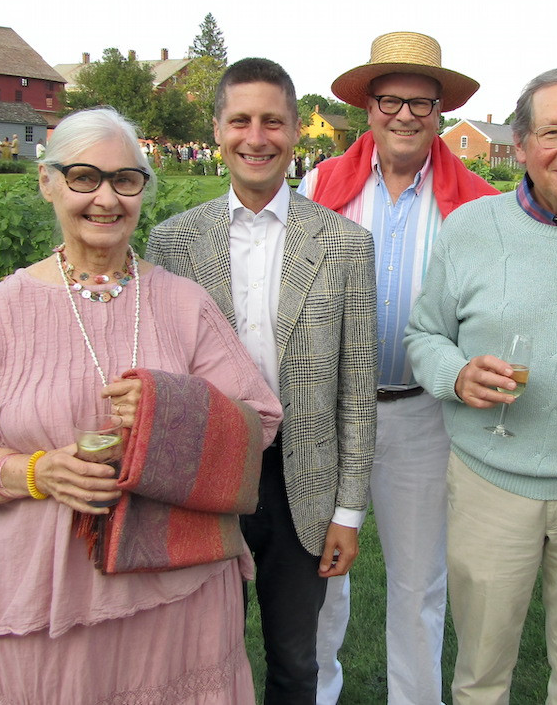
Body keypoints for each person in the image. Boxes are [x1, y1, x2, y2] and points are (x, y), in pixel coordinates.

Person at [0, 106, 283, 704]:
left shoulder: (183, 304)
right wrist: (36, 472)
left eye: (125, 180)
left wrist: (168, 407)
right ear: (47, 183)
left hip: (178, 584)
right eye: (84, 178)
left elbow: (260, 419)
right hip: (46, 590)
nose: (106, 198)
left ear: (143, 190)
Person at [146, 57, 377, 705]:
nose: (256, 137)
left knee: (297, 661)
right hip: (206, 481)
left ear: (296, 130)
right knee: (201, 656)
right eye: (241, 120)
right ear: (217, 130)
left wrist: (348, 512)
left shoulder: (344, 245)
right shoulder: (174, 243)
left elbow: (356, 393)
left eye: (272, 121)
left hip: (301, 483)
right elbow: (164, 378)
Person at [404, 65, 557, 704]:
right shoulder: (471, 228)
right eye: (553, 132)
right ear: (523, 142)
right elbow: (424, 335)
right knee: (482, 672)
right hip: (491, 485)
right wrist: (457, 374)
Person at [298, 30, 498, 705]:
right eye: (391, 101)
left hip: (422, 411)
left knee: (418, 582)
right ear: (368, 107)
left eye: (421, 103)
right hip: (330, 411)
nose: (405, 115)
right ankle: (318, 693)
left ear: (441, 111)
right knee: (321, 569)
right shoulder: (320, 185)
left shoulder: (478, 203)